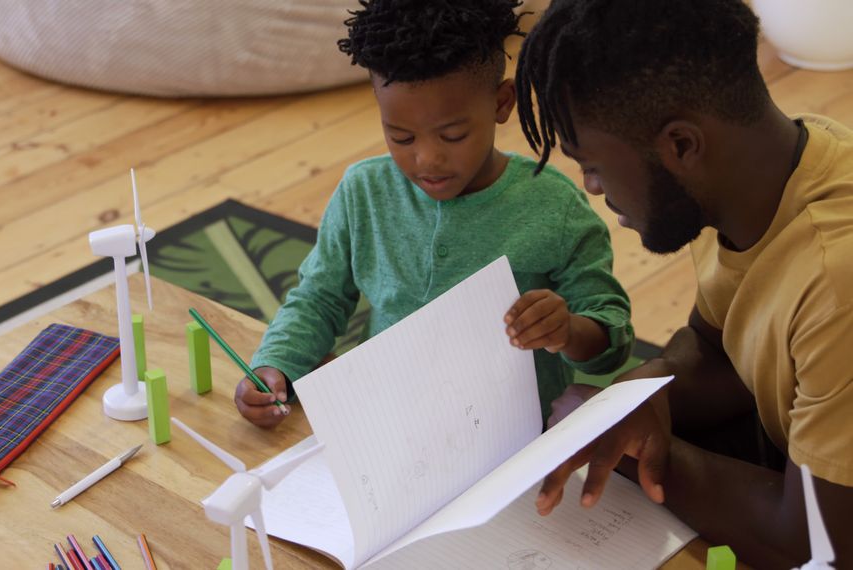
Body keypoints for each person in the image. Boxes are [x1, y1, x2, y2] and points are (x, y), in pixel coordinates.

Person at [515, 0, 853, 566]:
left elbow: (818, 544)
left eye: (592, 164)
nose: (592, 187)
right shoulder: (757, 173)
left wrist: (631, 449)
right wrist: (632, 398)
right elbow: (717, 348)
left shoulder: (835, 280)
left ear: (680, 146)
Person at [234, 0, 634, 431]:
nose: (427, 159)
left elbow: (611, 335)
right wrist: (277, 363)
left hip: (513, 436)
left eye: (453, 134)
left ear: (501, 104)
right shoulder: (363, 192)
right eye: (401, 136)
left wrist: (569, 331)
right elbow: (319, 298)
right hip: (391, 424)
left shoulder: (554, 207)